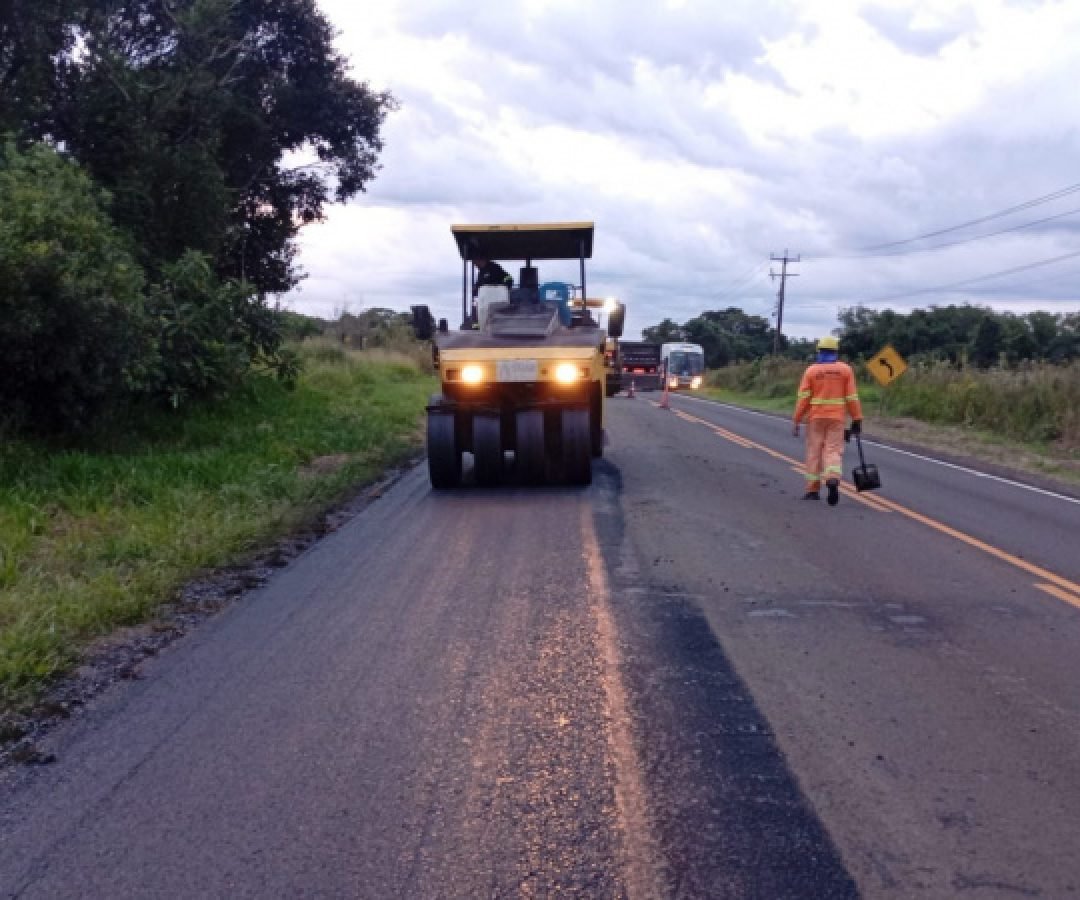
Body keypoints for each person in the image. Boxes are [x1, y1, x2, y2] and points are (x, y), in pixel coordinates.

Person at [792, 336, 863, 506]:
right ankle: (832, 478)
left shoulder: (811, 371)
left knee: (814, 452)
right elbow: (852, 397)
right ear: (836, 351)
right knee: (833, 450)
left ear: (819, 351)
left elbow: (803, 399)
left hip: (816, 418)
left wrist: (796, 420)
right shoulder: (846, 370)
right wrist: (857, 418)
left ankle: (812, 490)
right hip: (837, 418)